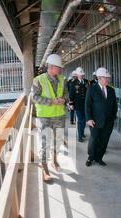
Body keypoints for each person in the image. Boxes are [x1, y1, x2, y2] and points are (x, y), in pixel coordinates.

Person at [31, 54, 69, 182]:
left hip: (59, 115)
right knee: (45, 142)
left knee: (57, 141)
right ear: (52, 67)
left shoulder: (62, 80)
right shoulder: (39, 80)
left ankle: (54, 161)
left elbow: (67, 95)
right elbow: (34, 97)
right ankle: (44, 167)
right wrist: (51, 101)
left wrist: (63, 100)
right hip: (45, 117)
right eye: (59, 67)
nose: (61, 69)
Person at [85, 67, 118, 167]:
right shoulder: (92, 89)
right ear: (99, 78)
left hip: (108, 122)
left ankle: (99, 158)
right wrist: (89, 118)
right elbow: (87, 105)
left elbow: (114, 106)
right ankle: (91, 157)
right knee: (94, 139)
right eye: (105, 78)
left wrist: (113, 118)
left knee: (104, 141)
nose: (108, 79)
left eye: (108, 78)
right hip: (94, 121)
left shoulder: (111, 90)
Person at [69, 67, 89, 142]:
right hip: (77, 105)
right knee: (80, 120)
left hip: (85, 105)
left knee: (84, 120)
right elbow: (71, 94)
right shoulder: (73, 83)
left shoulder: (87, 82)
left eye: (82, 74)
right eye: (80, 74)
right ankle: (80, 136)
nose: (81, 76)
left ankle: (82, 133)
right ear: (77, 75)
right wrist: (71, 104)